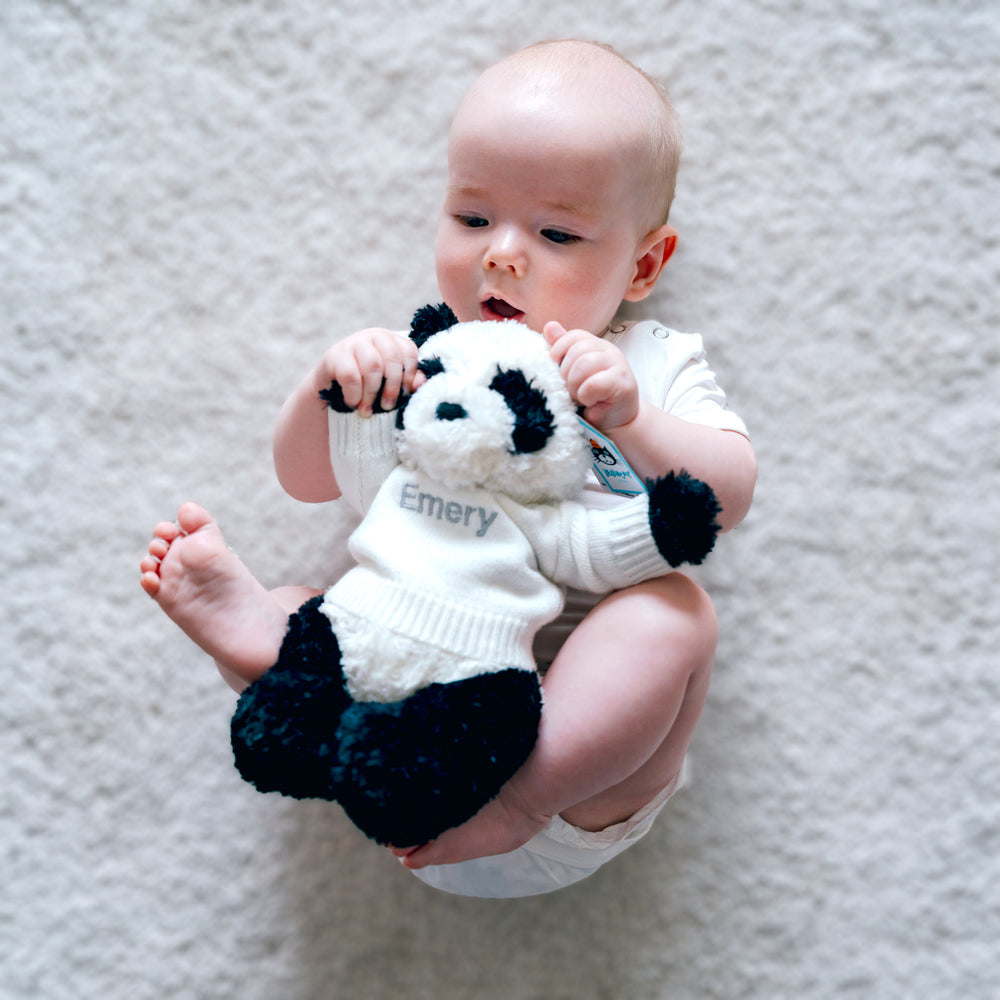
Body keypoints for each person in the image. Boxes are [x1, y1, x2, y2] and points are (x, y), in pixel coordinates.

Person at [140, 39, 757, 897]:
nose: (503, 254)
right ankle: (271, 642)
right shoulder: (429, 359)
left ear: (645, 264)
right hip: (400, 728)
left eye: (557, 232)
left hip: (569, 791)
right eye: (473, 219)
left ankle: (518, 794)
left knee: (675, 615)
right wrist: (328, 383)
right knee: (314, 608)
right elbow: (306, 479)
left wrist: (636, 421)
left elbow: (725, 499)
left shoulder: (646, 364)